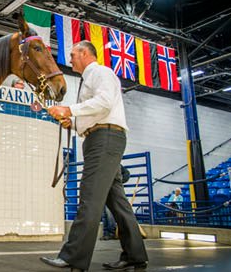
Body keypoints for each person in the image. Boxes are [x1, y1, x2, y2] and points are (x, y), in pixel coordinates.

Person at [39, 42, 149, 272]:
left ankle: (73, 257)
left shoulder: (100, 72)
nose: (69, 59)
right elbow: (97, 109)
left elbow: (104, 102)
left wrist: (70, 110)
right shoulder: (89, 78)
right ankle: (135, 255)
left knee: (89, 196)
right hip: (101, 138)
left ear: (85, 53)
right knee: (117, 202)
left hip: (104, 138)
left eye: (72, 55)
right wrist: (74, 121)